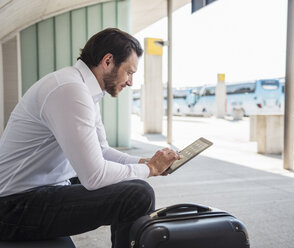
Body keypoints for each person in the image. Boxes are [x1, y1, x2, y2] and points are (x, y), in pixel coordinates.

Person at [0, 28, 181, 247]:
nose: (131, 81)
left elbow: (102, 151)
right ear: (108, 61)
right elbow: (94, 176)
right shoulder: (70, 90)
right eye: (129, 72)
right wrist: (150, 169)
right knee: (138, 195)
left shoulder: (81, 87)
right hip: (12, 207)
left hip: (37, 189)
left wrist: (145, 163)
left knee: (131, 179)